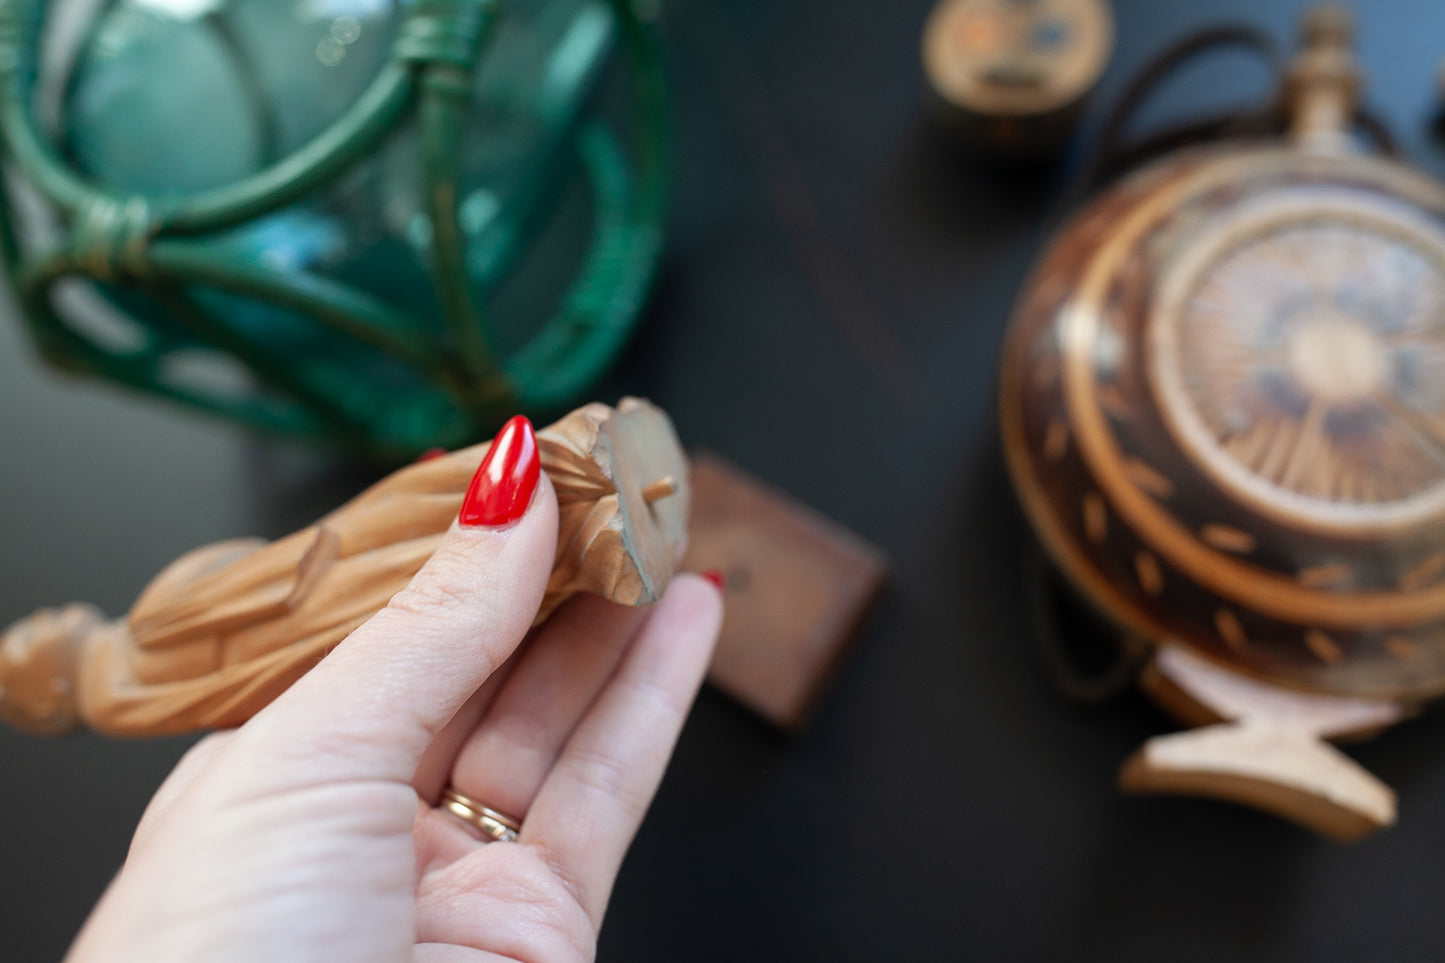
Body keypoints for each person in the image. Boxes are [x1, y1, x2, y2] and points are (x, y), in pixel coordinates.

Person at [64, 417, 725, 962]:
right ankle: (567, 518)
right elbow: (248, 583)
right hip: (320, 590)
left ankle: (560, 522)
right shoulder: (134, 652)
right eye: (42, 636)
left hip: (322, 590)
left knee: (438, 547)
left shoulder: (133, 662)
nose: (53, 622)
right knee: (435, 552)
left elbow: (242, 583)